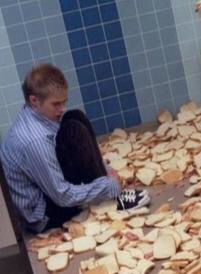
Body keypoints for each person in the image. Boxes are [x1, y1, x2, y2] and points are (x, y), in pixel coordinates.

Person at [0, 64, 149, 233]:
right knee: (73, 131)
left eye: (64, 102)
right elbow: (62, 196)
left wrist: (105, 170)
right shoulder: (35, 141)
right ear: (34, 100)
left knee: (74, 117)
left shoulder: (34, 113)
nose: (61, 108)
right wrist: (107, 186)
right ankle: (112, 196)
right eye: (56, 104)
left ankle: (107, 190)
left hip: (46, 191)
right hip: (43, 216)